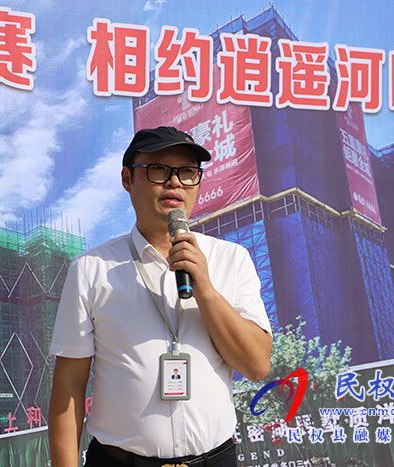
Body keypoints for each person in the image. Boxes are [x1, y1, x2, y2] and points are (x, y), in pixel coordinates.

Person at [48, 126, 272, 467]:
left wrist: (205, 289)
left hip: (214, 460)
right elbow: (69, 384)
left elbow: (256, 366)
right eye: (159, 169)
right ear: (127, 178)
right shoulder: (91, 268)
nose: (175, 182)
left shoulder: (231, 259)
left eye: (187, 171)